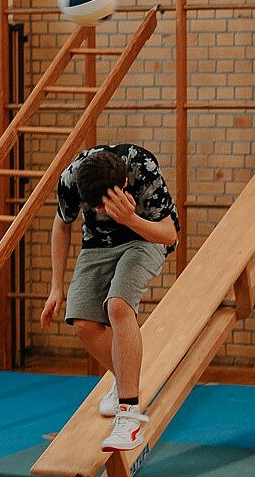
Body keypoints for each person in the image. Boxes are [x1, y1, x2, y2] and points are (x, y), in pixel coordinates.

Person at [41, 145, 179, 452]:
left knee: (118, 306)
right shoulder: (70, 179)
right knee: (83, 322)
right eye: (96, 209)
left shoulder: (142, 168)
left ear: (124, 186)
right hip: (97, 246)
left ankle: (129, 418)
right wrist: (56, 286)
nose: (100, 212)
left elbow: (169, 235)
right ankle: (123, 378)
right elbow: (62, 224)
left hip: (145, 237)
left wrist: (129, 217)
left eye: (105, 207)